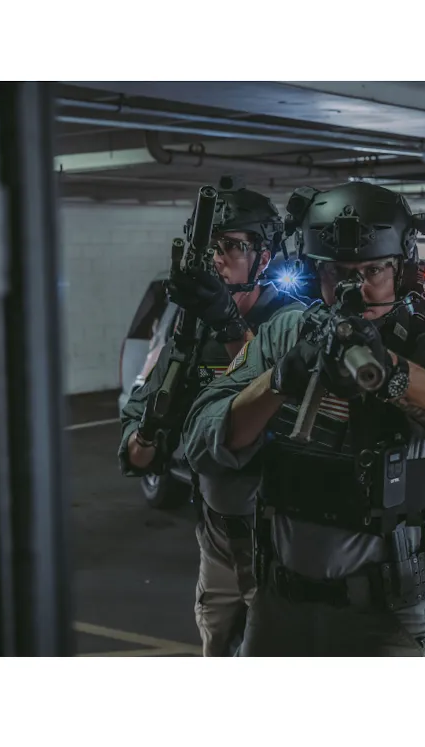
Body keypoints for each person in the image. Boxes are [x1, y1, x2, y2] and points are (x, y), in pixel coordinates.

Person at [182, 181, 425, 656]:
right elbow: (200, 440)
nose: (357, 288)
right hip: (280, 603)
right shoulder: (285, 336)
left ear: (400, 270)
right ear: (314, 272)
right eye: (339, 273)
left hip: (388, 611)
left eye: (374, 270)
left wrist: (395, 376)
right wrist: (281, 379)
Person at [118, 183, 304, 656]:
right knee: (217, 646)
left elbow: (284, 397)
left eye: (232, 246)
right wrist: (149, 433)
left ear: (263, 259)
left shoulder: (292, 322)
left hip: (285, 538)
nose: (217, 258)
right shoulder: (190, 330)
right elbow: (140, 441)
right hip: (218, 534)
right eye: (210, 246)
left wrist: (227, 322)